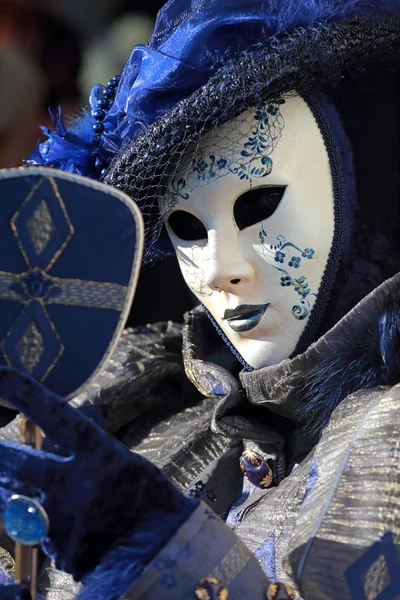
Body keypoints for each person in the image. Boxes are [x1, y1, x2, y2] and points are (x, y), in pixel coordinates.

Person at [0, 0, 399, 598]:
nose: (218, 270)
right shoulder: (130, 409)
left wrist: (177, 568)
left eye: (260, 207)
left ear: (365, 186)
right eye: (187, 228)